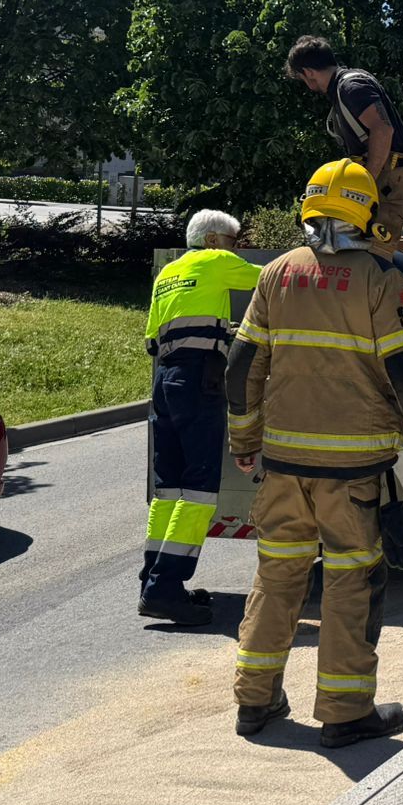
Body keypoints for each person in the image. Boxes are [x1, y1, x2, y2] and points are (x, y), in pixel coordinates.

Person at [226, 160, 403, 746]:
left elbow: (242, 368)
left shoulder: (277, 272)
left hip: (283, 464)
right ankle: (345, 711)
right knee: (350, 582)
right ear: (364, 211)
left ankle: (254, 702)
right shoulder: (378, 279)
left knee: (277, 577)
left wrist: (245, 443)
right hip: (354, 471)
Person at [138, 209, 260, 626]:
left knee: (167, 489)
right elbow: (273, 281)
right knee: (199, 490)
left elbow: (153, 337)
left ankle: (153, 583)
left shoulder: (167, 274)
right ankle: (166, 588)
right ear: (213, 241)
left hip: (165, 382)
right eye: (233, 242)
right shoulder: (216, 261)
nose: (235, 249)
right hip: (198, 380)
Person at [286, 36, 403, 254]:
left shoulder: (351, 87)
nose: (307, 86)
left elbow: (383, 130)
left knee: (377, 249)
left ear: (308, 72)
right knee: (359, 248)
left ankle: (375, 286)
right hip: (383, 174)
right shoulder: (344, 87)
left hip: (387, 176)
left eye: (302, 78)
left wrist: (365, 182)